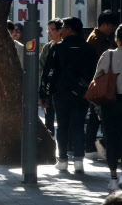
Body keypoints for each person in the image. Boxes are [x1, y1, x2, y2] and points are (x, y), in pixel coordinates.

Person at [41, 17, 98, 173]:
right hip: (81, 93)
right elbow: (95, 72)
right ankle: (79, 160)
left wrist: (44, 93)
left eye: (64, 27)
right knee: (78, 126)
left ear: (70, 29)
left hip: (61, 93)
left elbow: (49, 73)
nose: (62, 30)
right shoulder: (89, 49)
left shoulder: (57, 48)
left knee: (62, 126)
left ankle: (63, 159)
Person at [85, 10, 119, 159]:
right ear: (104, 24)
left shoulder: (99, 38)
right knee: (98, 115)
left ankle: (92, 146)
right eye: (111, 27)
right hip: (102, 84)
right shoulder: (97, 40)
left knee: (96, 115)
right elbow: (98, 65)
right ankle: (99, 144)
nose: (112, 30)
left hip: (100, 83)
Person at [93, 25, 122, 190]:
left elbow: (97, 77)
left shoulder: (109, 55)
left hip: (111, 101)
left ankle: (113, 178)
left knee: (111, 138)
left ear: (117, 39)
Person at [39, 18, 62, 137]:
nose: (49, 33)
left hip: (61, 88)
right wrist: (41, 91)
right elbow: (41, 69)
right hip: (48, 89)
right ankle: (50, 142)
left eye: (51, 30)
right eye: (48, 30)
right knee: (49, 118)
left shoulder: (65, 46)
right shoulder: (47, 48)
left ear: (59, 31)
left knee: (63, 119)